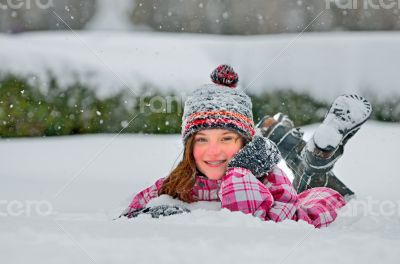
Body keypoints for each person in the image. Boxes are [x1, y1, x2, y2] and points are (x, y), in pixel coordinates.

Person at [120, 65, 372, 228]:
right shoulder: (178, 181)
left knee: (313, 185)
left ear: (245, 143)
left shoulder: (269, 179)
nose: (213, 150)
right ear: (189, 147)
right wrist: (154, 215)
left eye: (226, 138)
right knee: (308, 179)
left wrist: (239, 172)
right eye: (202, 139)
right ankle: (300, 150)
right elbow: (131, 213)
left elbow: (248, 219)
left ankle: (316, 160)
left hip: (311, 203)